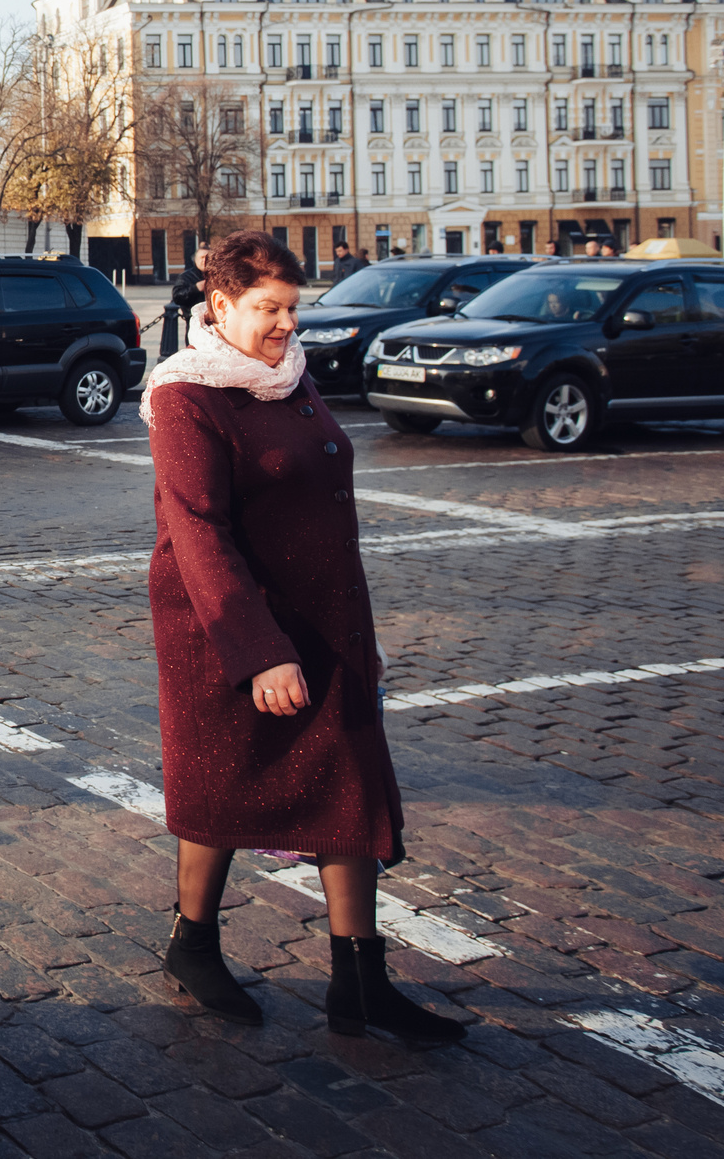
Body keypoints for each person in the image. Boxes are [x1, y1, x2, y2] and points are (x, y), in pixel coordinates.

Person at [139, 230, 464, 1045]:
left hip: (323, 619)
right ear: (220, 306)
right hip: (226, 625)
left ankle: (361, 980)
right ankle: (193, 941)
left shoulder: (289, 376)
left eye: (295, 309)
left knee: (348, 785)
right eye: (269, 309)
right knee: (223, 783)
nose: (288, 327)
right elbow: (198, 530)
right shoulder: (187, 396)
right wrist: (258, 650)